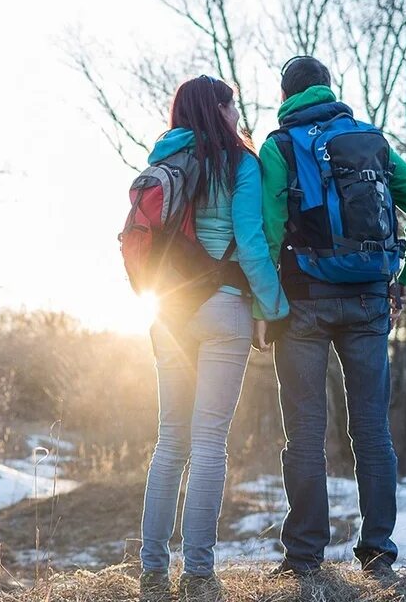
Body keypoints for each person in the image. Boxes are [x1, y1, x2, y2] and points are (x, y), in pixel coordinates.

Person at [258, 56, 406, 578]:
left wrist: (265, 304)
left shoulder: (279, 146)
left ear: (286, 94)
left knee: (305, 433)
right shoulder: (371, 140)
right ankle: (379, 553)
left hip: (302, 304)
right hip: (367, 300)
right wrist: (404, 281)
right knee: (371, 429)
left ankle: (303, 558)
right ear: (328, 89)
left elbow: (271, 231)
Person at [136, 75, 289, 601]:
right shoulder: (240, 163)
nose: (237, 116)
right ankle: (199, 573)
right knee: (208, 444)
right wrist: (271, 307)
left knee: (169, 443)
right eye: (234, 107)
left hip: (169, 313)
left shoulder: (164, 160)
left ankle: (152, 571)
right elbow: (249, 241)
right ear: (221, 110)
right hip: (223, 310)